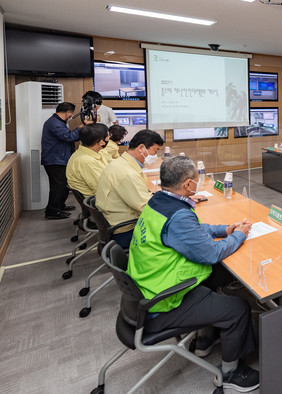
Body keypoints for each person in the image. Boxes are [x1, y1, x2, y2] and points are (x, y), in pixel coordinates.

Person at [127, 156, 259, 392]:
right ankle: (230, 372)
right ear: (188, 184)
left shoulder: (160, 201)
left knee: (217, 277)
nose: (198, 182)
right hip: (162, 300)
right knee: (238, 309)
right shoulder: (178, 214)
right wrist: (239, 235)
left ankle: (204, 340)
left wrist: (225, 229)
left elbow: (193, 231)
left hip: (150, 283)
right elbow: (211, 253)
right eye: (196, 179)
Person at [96, 130, 164, 248]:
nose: (155, 156)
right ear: (141, 148)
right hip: (125, 230)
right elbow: (146, 207)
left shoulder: (121, 163)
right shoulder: (126, 173)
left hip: (116, 221)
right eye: (155, 151)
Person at [41, 102, 86, 219]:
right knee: (58, 186)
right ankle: (52, 211)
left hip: (59, 158)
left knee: (63, 185)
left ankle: (60, 206)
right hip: (55, 160)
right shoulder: (54, 123)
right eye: (71, 113)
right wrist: (81, 127)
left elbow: (69, 136)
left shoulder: (58, 122)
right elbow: (68, 137)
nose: (71, 116)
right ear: (68, 112)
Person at [66, 123, 109, 197]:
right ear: (101, 142)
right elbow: (103, 189)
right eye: (108, 136)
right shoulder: (87, 162)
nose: (109, 138)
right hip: (101, 199)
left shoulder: (87, 153)